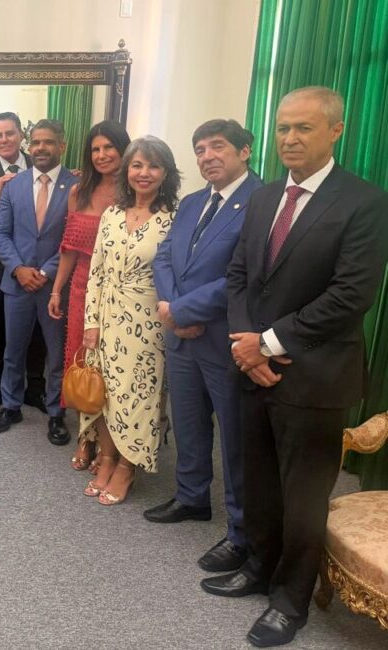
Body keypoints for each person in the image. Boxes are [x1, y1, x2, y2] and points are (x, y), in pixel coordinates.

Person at [203, 86, 388, 648]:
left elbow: (351, 295)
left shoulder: (365, 202)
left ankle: (290, 600)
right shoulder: (264, 198)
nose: (289, 138)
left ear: (336, 131)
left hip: (315, 376)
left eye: (304, 128)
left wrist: (267, 343)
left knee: (304, 496)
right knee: (258, 481)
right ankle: (259, 567)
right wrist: (246, 345)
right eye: (283, 127)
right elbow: (238, 275)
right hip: (252, 367)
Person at [144, 120, 263, 574]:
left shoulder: (261, 201)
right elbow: (166, 256)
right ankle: (192, 497)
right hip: (180, 334)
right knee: (188, 422)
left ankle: (240, 531)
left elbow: (243, 275)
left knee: (234, 438)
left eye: (217, 147)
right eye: (199, 149)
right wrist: (170, 307)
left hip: (224, 339)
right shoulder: (192, 202)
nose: (207, 156)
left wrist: (183, 310)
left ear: (244, 151)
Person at [80, 136, 179, 505]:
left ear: (166, 173)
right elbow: (96, 271)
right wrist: (91, 322)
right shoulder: (111, 214)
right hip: (106, 320)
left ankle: (127, 466)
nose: (144, 173)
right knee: (105, 394)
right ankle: (106, 459)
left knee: (138, 396)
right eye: (137, 165)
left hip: (147, 323)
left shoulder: (175, 218)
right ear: (127, 171)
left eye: (153, 166)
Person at [47, 120, 130, 469]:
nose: (102, 155)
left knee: (115, 369)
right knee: (84, 365)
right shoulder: (78, 192)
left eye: (109, 147)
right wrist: (56, 290)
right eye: (95, 149)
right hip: (82, 289)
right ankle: (87, 437)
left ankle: (114, 444)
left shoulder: (135, 192)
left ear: (123, 149)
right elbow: (68, 248)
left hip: (122, 293)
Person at [0, 119, 77, 437]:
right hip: (17, 283)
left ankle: (56, 412)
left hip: (55, 286)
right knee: (14, 350)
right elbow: (0, 233)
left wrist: (45, 271)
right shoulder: (14, 185)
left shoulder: (76, 187)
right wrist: (18, 268)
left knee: (56, 354)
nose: (41, 148)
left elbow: (72, 237)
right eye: (36, 142)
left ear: (61, 146)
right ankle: (10, 406)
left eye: (48, 142)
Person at [0, 112, 48, 415]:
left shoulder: (40, 165)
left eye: (10, 133)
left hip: (37, 266)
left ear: (20, 136)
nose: (4, 140)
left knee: (38, 333)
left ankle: (35, 388)